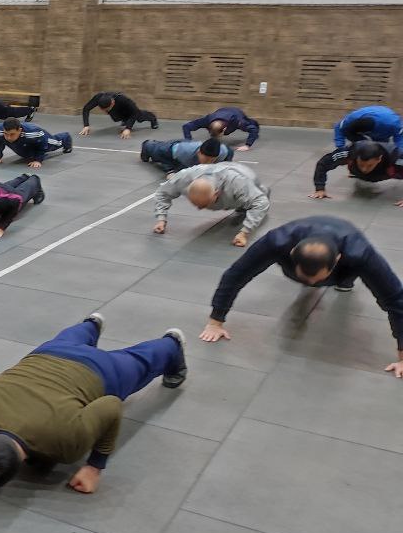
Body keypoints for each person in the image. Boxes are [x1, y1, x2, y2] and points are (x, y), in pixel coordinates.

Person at [0, 314, 188, 494]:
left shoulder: (67, 446)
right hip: (49, 352)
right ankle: (91, 324)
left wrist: (94, 467)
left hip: (102, 370)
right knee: (71, 338)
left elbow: (111, 405)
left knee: (142, 361)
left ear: (21, 465)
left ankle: (172, 344)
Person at [200, 216, 403, 377]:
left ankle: (343, 280)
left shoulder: (359, 253)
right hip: (303, 255)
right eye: (307, 279)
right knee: (306, 280)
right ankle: (313, 276)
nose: (313, 283)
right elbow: (236, 275)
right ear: (292, 254)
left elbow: (396, 301)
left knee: (347, 280)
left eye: (318, 279)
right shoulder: (277, 241)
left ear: (338, 260)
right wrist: (215, 321)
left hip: (344, 263)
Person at [153, 161, 270, 247]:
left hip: (244, 175)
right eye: (196, 204)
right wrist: (161, 219)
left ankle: (258, 194)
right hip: (218, 173)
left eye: (204, 205)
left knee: (256, 201)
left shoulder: (238, 183)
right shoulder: (184, 178)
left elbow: (261, 202)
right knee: (242, 201)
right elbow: (162, 192)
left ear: (216, 194)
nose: (199, 209)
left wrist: (245, 232)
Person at [311, 141, 403, 205]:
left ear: (379, 159)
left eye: (369, 165)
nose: (364, 169)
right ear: (357, 157)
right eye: (361, 164)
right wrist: (320, 188)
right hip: (355, 171)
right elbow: (323, 164)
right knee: (355, 168)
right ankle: (357, 169)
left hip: (384, 172)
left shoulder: (396, 157)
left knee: (397, 170)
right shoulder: (348, 153)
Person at [0, 117, 72, 167]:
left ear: (20, 130)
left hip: (42, 139)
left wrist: (38, 160)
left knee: (56, 143)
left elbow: (42, 146)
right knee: (28, 155)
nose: (8, 138)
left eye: (12, 134)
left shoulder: (34, 132)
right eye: (6, 134)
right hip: (26, 142)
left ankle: (66, 137)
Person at [79, 91, 158, 138]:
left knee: (139, 117)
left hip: (129, 109)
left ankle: (153, 118)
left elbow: (134, 113)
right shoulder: (98, 98)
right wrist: (86, 125)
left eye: (108, 109)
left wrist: (128, 128)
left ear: (112, 102)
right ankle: (125, 119)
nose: (107, 111)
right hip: (118, 109)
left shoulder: (123, 99)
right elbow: (86, 109)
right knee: (116, 118)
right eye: (104, 110)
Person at [139, 136, 233, 174]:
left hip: (190, 149)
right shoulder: (183, 151)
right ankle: (147, 144)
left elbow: (230, 153)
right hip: (171, 149)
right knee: (155, 150)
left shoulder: (224, 152)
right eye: (205, 159)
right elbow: (163, 154)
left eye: (212, 160)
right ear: (199, 152)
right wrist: (170, 171)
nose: (208, 163)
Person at [181, 106, 260, 150]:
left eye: (219, 136)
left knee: (252, 125)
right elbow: (186, 126)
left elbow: (253, 129)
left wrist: (247, 145)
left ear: (224, 130)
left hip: (236, 112)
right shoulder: (206, 120)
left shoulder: (238, 121)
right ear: (208, 127)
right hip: (221, 111)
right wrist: (188, 141)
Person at [333, 105, 403, 150]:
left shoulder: (394, 124)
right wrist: (341, 147)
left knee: (382, 150)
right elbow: (339, 127)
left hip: (385, 122)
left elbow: (400, 139)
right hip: (370, 119)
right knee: (365, 148)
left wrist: (400, 153)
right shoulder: (353, 118)